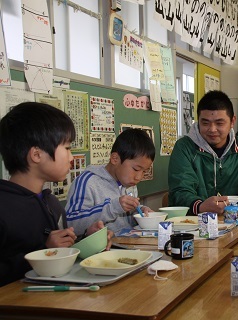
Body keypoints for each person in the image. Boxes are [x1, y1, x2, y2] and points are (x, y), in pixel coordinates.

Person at [0, 102, 112, 287]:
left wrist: (88, 241)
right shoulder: (4, 207)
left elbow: (62, 253)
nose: (71, 158)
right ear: (36, 155)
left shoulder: (52, 203)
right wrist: (44, 253)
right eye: (67, 148)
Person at [66, 129, 155, 235]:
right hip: (102, 249)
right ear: (115, 159)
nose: (139, 177)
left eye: (144, 171)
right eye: (136, 169)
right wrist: (113, 207)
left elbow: (127, 219)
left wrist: (140, 212)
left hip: (126, 243)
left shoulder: (129, 183)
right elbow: (70, 223)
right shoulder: (88, 182)